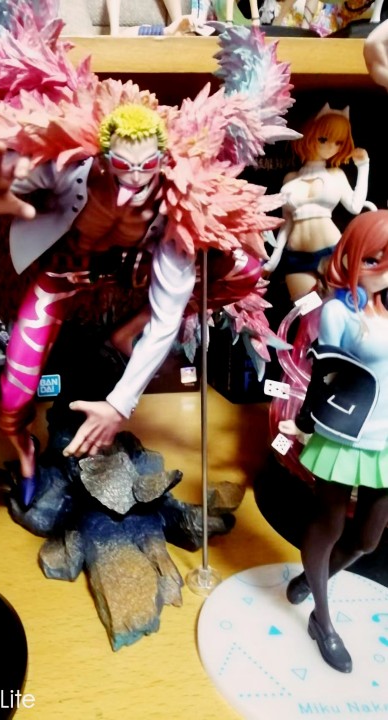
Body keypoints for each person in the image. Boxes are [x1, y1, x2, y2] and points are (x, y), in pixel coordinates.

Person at [0, 103, 197, 507]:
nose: (135, 176)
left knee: (239, 268)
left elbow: (168, 316)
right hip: (60, 280)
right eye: (123, 164)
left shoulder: (175, 205)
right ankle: (26, 453)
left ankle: (123, 334)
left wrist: (119, 404)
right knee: (11, 401)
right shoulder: (70, 168)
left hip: (128, 285)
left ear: (162, 158)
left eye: (147, 165)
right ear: (104, 155)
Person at [278, 210, 388, 673]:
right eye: (376, 259)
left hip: (385, 439)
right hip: (345, 435)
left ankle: (312, 577)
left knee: (368, 539)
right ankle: (322, 620)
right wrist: (304, 420)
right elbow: (324, 373)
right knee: (329, 527)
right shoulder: (339, 312)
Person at [264, 105, 370, 302]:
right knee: (307, 313)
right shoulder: (290, 179)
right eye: (323, 139)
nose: (331, 147)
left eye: (338, 142)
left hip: (332, 250)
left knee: (338, 309)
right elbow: (286, 222)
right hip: (297, 256)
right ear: (308, 135)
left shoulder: (336, 175)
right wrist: (274, 260)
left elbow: (355, 207)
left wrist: (363, 167)